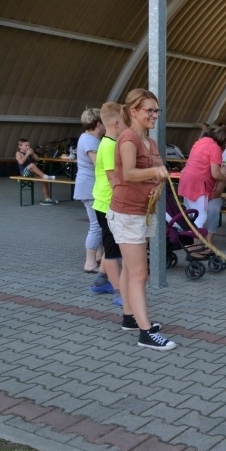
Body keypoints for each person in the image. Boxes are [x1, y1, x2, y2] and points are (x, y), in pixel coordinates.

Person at [106, 88, 175, 351]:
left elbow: (147, 174)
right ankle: (146, 333)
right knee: (139, 273)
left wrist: (157, 178)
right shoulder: (128, 138)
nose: (154, 115)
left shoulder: (150, 141)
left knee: (130, 270)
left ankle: (129, 317)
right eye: (149, 110)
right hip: (127, 213)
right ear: (133, 111)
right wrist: (154, 171)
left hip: (142, 212)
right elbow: (128, 174)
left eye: (156, 110)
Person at [91, 102, 127, 305]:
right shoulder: (110, 146)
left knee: (109, 245)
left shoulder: (107, 144)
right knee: (112, 251)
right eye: (125, 122)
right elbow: (115, 180)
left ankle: (100, 280)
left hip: (104, 202)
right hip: (108, 204)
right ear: (115, 123)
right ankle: (118, 290)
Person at [178, 127, 226, 230]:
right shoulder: (215, 148)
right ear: (224, 141)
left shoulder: (200, 142)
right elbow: (216, 174)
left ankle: (192, 241)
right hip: (198, 185)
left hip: (186, 181)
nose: (225, 148)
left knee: (191, 215)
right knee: (201, 216)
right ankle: (196, 241)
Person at [74, 108, 105, 273]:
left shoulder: (85, 138)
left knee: (98, 223)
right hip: (90, 188)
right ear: (98, 124)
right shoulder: (91, 141)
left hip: (88, 186)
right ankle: (90, 263)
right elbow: (99, 166)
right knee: (96, 226)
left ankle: (99, 256)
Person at [15, 139, 57, 205]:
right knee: (32, 165)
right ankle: (46, 176)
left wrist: (33, 153)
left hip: (31, 172)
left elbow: (38, 159)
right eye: (25, 145)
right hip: (24, 173)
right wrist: (27, 154)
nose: (27, 147)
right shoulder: (18, 153)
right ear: (20, 146)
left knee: (44, 181)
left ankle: (47, 199)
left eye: (28, 145)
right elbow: (21, 162)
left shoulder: (29, 153)